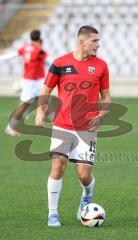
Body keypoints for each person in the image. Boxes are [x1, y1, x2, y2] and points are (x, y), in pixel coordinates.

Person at [35, 25, 111, 227]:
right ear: (82, 41)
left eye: (98, 40)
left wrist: (102, 115)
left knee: (84, 176)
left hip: (87, 129)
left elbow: (107, 97)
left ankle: (87, 195)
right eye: (94, 41)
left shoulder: (101, 66)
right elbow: (46, 88)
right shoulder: (60, 63)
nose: (98, 44)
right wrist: (41, 110)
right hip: (62, 125)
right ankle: (53, 214)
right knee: (58, 166)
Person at [0, 30, 47, 136]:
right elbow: (49, 61)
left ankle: (18, 124)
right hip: (34, 81)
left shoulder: (25, 48)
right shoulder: (39, 50)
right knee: (24, 105)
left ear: (30, 38)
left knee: (34, 103)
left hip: (31, 80)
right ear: (39, 38)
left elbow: (11, 55)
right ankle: (10, 127)